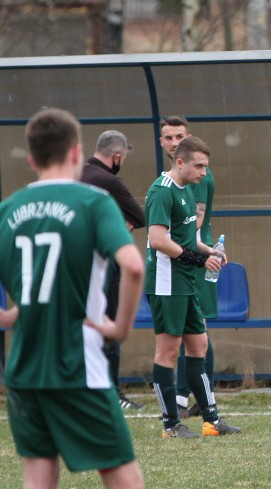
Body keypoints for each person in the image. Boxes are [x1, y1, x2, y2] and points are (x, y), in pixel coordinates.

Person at [0, 108, 145, 488]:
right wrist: (120, 327)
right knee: (121, 473)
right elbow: (133, 266)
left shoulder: (7, 210)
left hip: (25, 368)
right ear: (77, 153)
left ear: (31, 159)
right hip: (77, 365)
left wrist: (10, 315)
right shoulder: (93, 202)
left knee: (38, 475)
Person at [145, 135, 240, 437]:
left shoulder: (186, 190)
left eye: (205, 167)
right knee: (168, 351)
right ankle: (170, 424)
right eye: (199, 166)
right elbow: (159, 240)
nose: (203, 172)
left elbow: (188, 237)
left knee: (199, 345)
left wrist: (209, 251)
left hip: (185, 281)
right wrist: (198, 261)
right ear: (181, 161)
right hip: (166, 282)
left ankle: (211, 420)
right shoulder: (161, 191)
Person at [158, 115, 218, 419]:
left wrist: (205, 252)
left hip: (195, 261)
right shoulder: (165, 186)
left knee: (199, 334)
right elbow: (158, 238)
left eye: (179, 136)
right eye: (168, 137)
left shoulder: (198, 178)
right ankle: (176, 409)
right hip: (175, 268)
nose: (174, 142)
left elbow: (192, 227)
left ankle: (202, 405)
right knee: (173, 344)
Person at [81, 130, 146, 410]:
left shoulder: (76, 175)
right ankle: (112, 394)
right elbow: (140, 216)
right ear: (117, 156)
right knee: (109, 326)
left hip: (75, 266)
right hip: (106, 264)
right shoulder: (108, 180)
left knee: (82, 328)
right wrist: (118, 226)